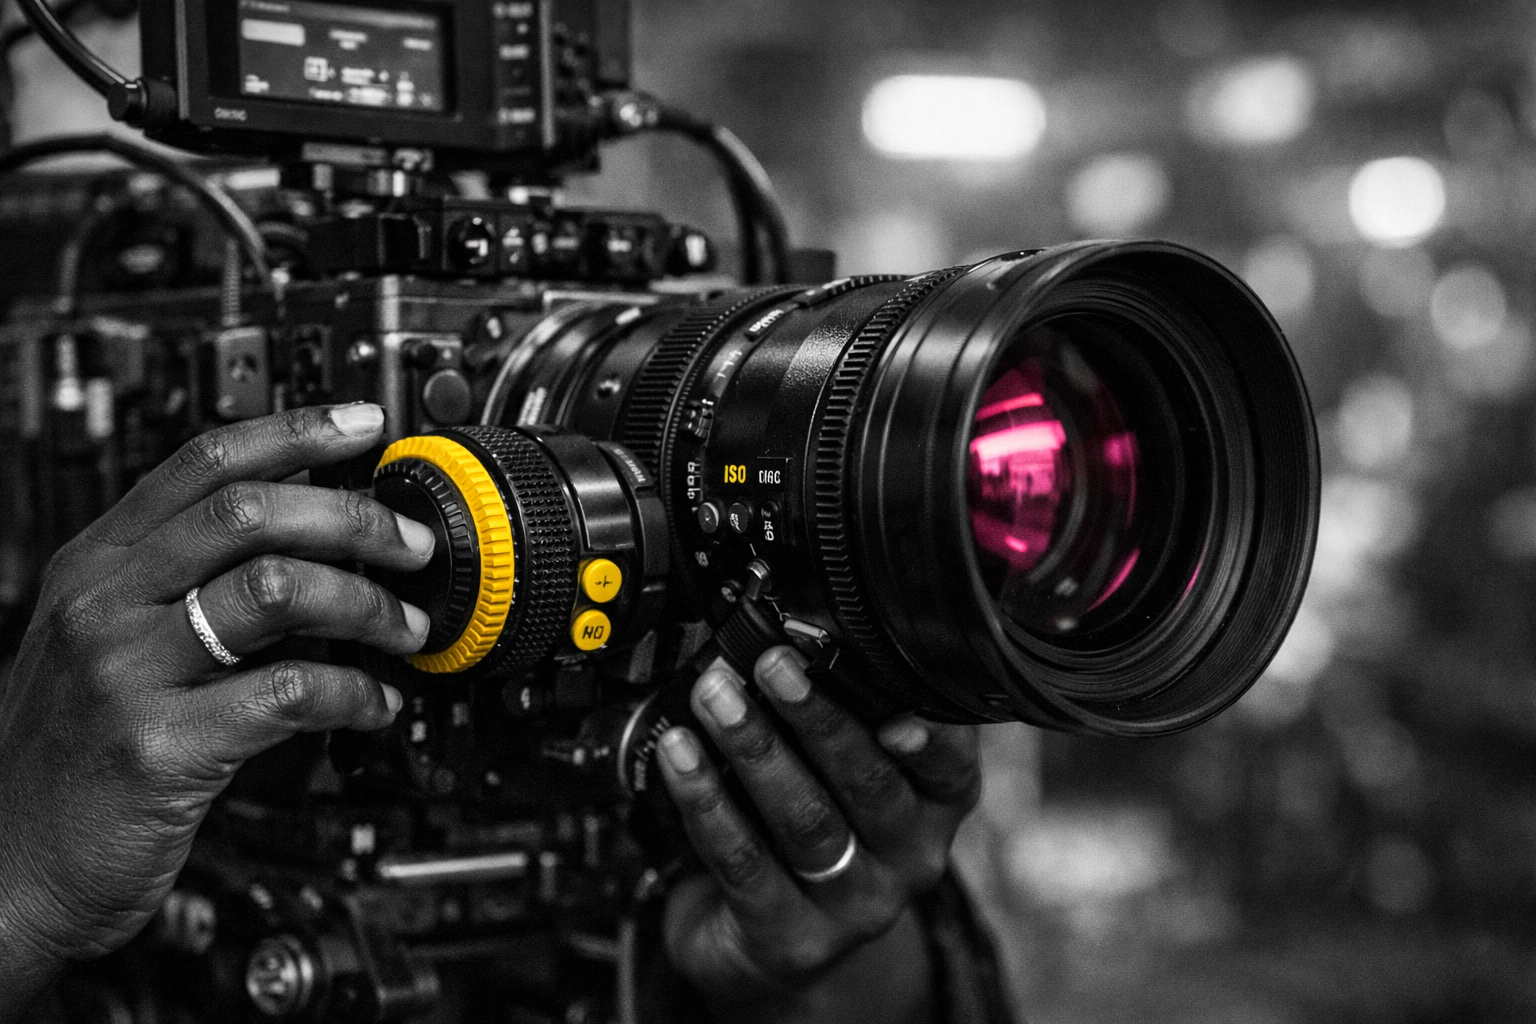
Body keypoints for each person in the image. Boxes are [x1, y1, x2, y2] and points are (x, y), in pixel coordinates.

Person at [0, 405, 1013, 1023]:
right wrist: (25, 889)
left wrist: (814, 966)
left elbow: (836, 962)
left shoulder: (713, 698)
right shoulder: (84, 616)